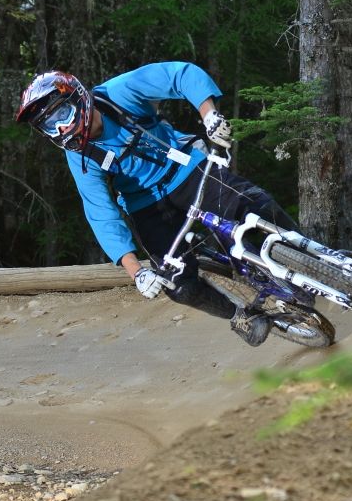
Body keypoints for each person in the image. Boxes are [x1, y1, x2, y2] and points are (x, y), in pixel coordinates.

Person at [16, 62, 297, 347]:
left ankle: (311, 253)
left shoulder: (118, 94)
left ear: (77, 97)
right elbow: (100, 212)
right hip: (145, 204)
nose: (61, 128)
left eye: (61, 114)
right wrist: (136, 272)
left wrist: (209, 115)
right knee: (178, 286)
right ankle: (243, 316)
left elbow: (180, 74)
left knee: (251, 205)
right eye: (48, 125)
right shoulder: (78, 155)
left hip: (185, 168)